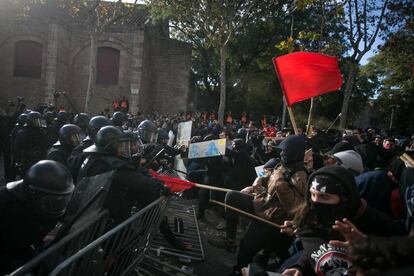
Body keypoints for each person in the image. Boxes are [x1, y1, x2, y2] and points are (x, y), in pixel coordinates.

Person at [208, 135, 308, 275]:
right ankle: (230, 241)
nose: (281, 153)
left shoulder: (300, 175)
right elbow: (270, 178)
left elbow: (293, 206)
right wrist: (259, 181)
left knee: (246, 248)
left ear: (293, 153)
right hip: (262, 204)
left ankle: (241, 271)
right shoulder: (283, 164)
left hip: (273, 217)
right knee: (232, 196)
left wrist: (279, 183)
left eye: (284, 151)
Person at [281, 166, 406, 276]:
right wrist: (300, 267)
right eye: (312, 195)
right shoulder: (313, 221)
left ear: (345, 199)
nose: (315, 203)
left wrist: (369, 249)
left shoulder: (378, 225)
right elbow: (318, 249)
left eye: (324, 196)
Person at [69, 126, 166, 226]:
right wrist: (161, 186)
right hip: (94, 219)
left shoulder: (97, 157)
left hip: (91, 213)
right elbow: (133, 179)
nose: (123, 149)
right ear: (111, 146)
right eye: (121, 146)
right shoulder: (107, 163)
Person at [0, 160, 74, 275]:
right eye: (51, 201)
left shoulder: (50, 204)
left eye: (62, 200)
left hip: (23, 247)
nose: (57, 205)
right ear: (33, 194)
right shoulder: (6, 203)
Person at [14, 111, 47, 176]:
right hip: (27, 160)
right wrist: (17, 161)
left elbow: (44, 145)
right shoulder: (23, 133)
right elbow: (17, 149)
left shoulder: (42, 132)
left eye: (39, 121)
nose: (38, 123)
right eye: (36, 121)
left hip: (39, 159)